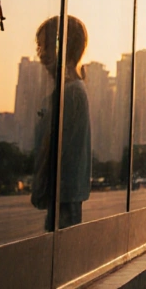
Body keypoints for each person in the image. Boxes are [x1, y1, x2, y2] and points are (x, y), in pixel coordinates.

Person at [31, 16, 92, 230]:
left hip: (64, 197)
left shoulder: (71, 93)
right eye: (39, 47)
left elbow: (55, 149)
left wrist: (40, 188)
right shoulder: (69, 90)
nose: (41, 54)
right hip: (63, 196)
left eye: (45, 46)